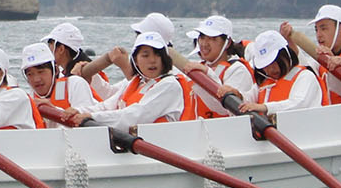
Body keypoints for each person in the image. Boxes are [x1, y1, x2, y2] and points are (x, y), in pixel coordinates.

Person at [68, 31, 196, 128]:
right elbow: (107, 106)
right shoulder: (136, 83)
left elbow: (136, 115)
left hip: (161, 146)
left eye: (158, 55)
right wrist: (79, 111)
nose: (152, 60)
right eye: (145, 55)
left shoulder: (169, 85)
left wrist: (92, 117)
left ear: (165, 59)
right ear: (135, 61)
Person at [279, 4, 341, 105]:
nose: (319, 34)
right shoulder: (318, 62)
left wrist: (331, 60)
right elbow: (301, 66)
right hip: (328, 116)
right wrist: (290, 41)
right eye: (316, 30)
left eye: (323, 29)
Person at [242, 30, 322, 116]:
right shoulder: (264, 83)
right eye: (265, 66)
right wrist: (238, 95)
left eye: (274, 63)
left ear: (286, 54)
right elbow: (248, 98)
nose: (270, 70)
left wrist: (265, 107)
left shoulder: (305, 76)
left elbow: (299, 104)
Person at [190, 15, 256, 117]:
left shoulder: (238, 70)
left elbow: (227, 109)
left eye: (212, 38)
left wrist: (206, 74)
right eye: (202, 37)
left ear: (227, 42)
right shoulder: (198, 67)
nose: (204, 43)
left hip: (223, 130)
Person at [22, 41, 92, 120]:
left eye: (41, 72)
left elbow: (86, 121)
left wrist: (52, 109)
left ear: (55, 70)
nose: (36, 79)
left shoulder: (74, 84)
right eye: (30, 74)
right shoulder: (29, 99)